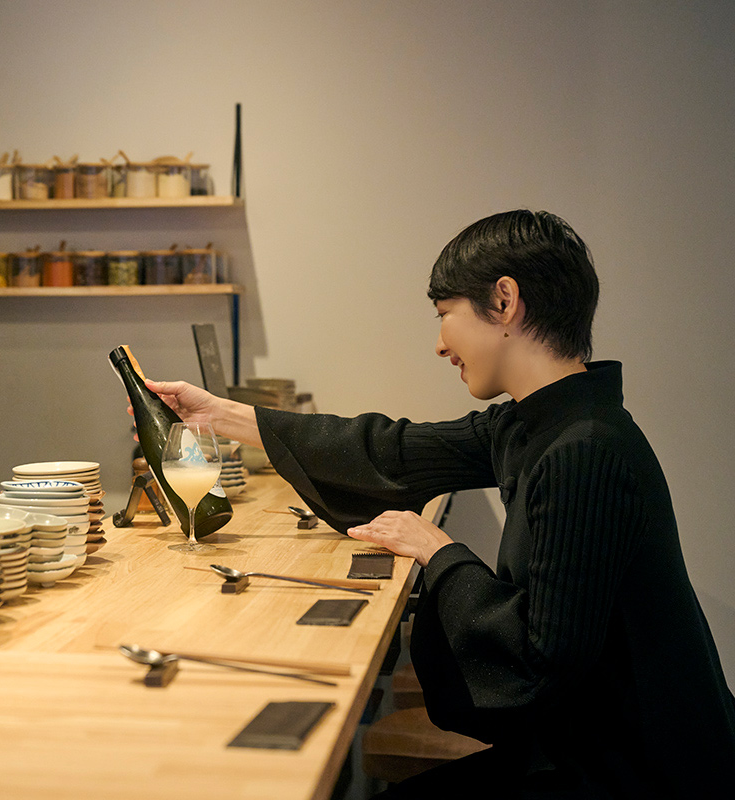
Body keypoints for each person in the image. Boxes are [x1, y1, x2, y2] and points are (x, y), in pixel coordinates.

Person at [141, 210, 735, 797]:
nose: (439, 343)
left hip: (637, 774)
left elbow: (539, 658)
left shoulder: (584, 451)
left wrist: (441, 551)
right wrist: (216, 413)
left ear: (504, 302)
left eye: (444, 314)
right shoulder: (543, 424)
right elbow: (394, 451)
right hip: (594, 749)